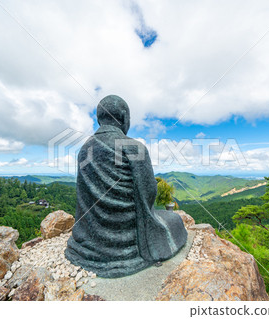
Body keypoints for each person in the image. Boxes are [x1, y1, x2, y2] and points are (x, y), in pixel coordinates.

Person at [65, 95, 187, 278]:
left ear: (99, 119)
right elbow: (148, 194)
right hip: (129, 241)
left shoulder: (84, 149)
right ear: (123, 117)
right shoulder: (133, 147)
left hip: (87, 239)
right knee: (174, 220)